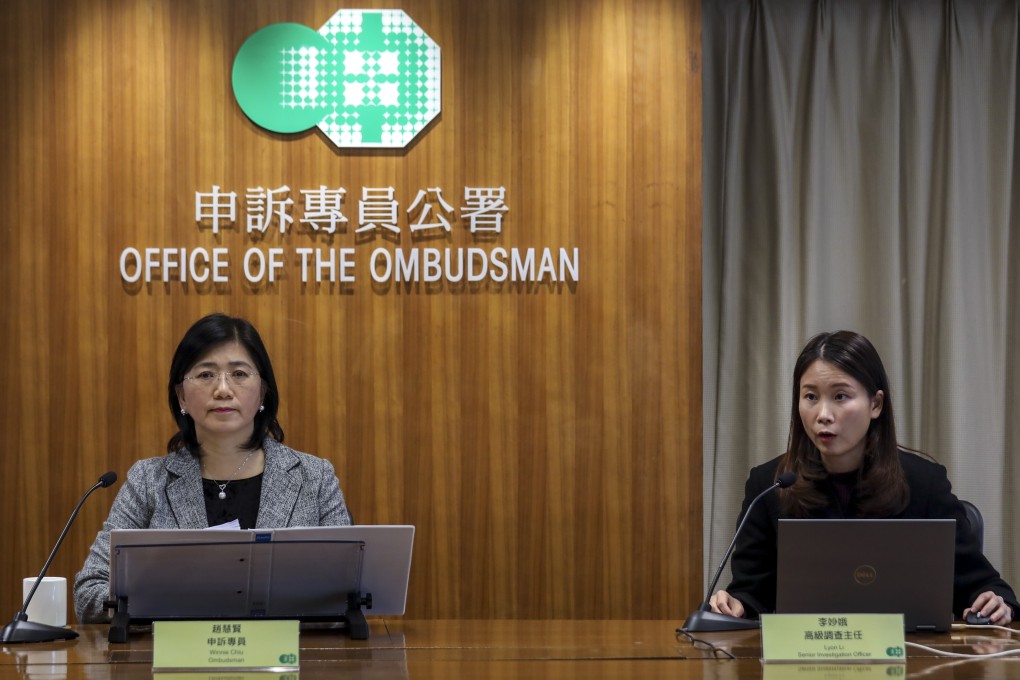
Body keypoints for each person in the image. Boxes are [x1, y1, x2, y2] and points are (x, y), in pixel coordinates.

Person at [709, 330, 1018, 624]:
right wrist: (737, 604)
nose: (823, 414)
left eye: (840, 396)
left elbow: (979, 584)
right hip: (810, 659)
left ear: (875, 404)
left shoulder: (924, 483)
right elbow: (751, 591)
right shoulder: (771, 484)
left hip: (910, 660)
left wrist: (993, 600)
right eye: (810, 397)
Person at [73, 313, 353, 623]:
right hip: (177, 665)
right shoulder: (147, 482)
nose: (223, 389)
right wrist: (169, 597)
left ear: (262, 391)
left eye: (239, 374)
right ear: (181, 395)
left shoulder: (314, 478)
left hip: (287, 665)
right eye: (206, 375)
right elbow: (89, 593)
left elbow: (349, 591)